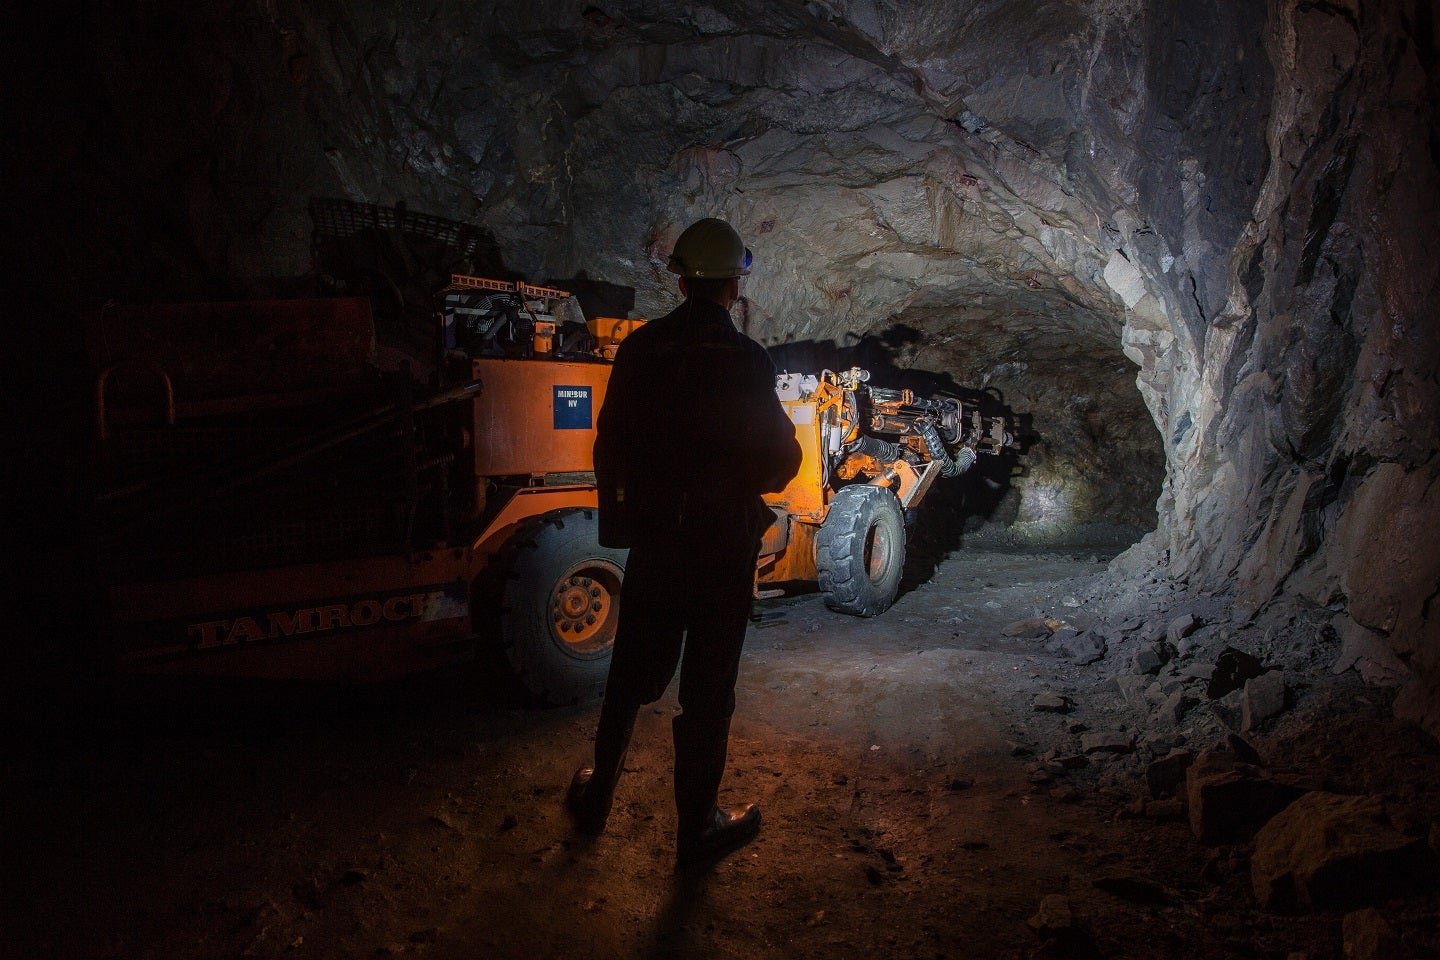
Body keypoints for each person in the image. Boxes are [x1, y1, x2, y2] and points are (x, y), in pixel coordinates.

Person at [567, 217, 802, 867]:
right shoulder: (748, 360)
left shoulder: (642, 349)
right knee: (708, 687)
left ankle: (596, 800)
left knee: (630, 675)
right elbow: (780, 461)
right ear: (734, 286)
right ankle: (696, 829)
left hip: (659, 544)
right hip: (722, 547)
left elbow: (610, 445)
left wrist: (625, 526)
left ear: (679, 282)